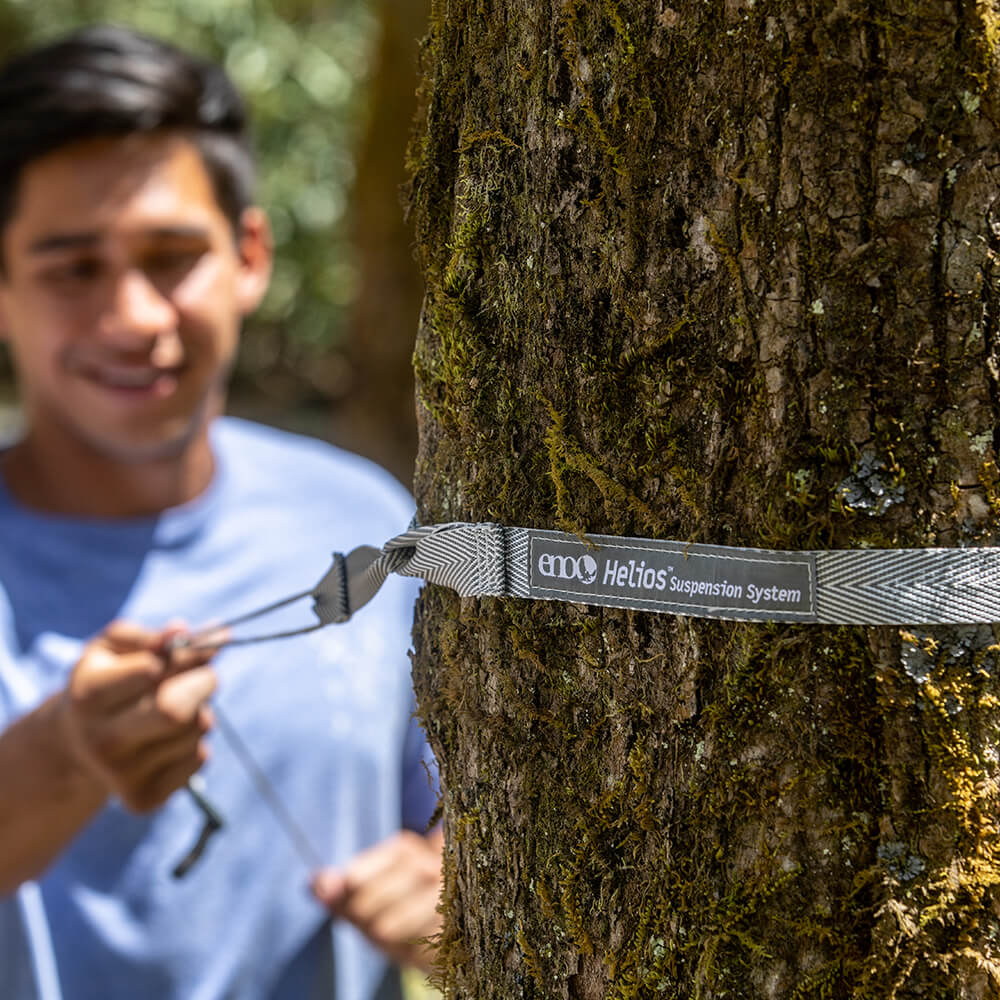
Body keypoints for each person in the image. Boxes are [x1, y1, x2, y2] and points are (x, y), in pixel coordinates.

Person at [0, 24, 442, 1000]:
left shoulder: (363, 521)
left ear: (249, 255)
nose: (134, 318)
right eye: (72, 267)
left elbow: (451, 811)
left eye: (170, 255)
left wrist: (453, 886)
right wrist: (66, 754)